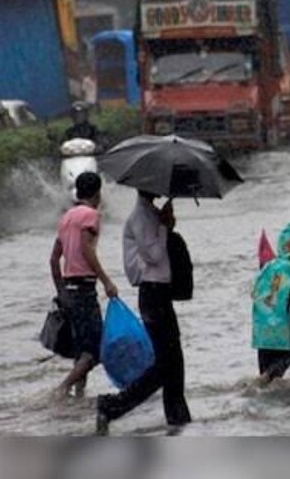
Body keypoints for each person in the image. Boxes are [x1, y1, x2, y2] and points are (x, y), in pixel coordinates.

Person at [96, 191, 191, 434]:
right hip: (152, 294)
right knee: (166, 364)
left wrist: (165, 225)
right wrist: (163, 226)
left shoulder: (150, 214)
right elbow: (155, 255)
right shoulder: (141, 217)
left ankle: (178, 419)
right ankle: (113, 406)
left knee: (173, 362)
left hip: (159, 295)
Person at [49, 172, 118, 400]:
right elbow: (87, 249)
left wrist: (61, 291)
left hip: (69, 289)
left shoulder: (66, 217)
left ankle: (79, 397)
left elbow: (54, 259)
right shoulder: (91, 215)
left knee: (82, 350)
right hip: (85, 289)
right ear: (98, 193)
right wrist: (106, 280)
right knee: (95, 350)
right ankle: (63, 387)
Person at [251, 224, 290, 384]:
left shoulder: (268, 266)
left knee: (266, 373)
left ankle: (264, 382)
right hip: (281, 326)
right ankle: (267, 378)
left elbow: (255, 293)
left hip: (261, 329)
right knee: (284, 359)